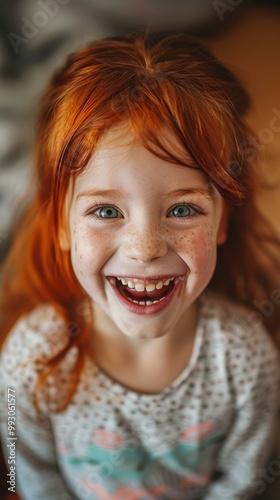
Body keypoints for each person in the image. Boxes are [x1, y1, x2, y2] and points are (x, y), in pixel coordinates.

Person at [0, 33, 279, 500]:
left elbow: (245, 480)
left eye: (183, 209)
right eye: (106, 211)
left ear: (222, 221)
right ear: (62, 227)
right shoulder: (25, 364)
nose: (146, 248)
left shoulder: (247, 358)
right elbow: (24, 479)